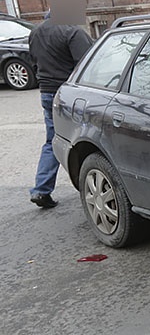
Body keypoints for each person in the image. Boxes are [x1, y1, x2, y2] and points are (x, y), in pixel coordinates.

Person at [28, 12, 93, 208]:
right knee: (90, 139)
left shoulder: (35, 32)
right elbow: (88, 63)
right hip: (69, 93)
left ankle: (41, 189)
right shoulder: (72, 31)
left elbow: (33, 62)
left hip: (46, 93)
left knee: (51, 140)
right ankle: (91, 183)